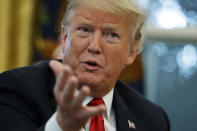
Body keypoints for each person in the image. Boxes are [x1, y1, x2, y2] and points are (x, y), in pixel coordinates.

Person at [0, 0, 170, 131]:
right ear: (65, 38)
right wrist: (60, 126)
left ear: (132, 52)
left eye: (111, 35)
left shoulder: (152, 119)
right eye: (84, 30)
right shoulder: (16, 90)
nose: (94, 46)